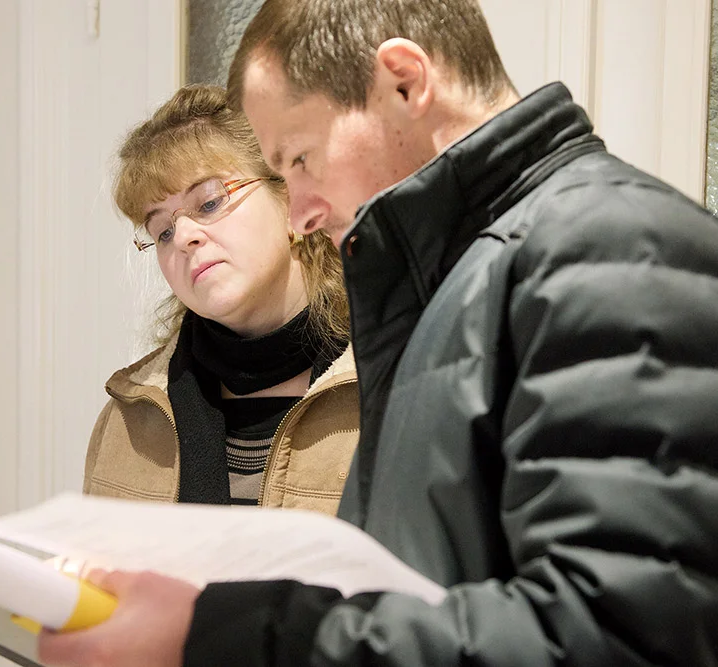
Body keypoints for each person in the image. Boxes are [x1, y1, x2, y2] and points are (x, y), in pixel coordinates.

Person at [38, 1, 718, 665]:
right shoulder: (445, 291)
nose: (300, 214)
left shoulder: (613, 245)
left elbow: (619, 634)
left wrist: (222, 635)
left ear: (405, 83)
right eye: (160, 229)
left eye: (300, 159)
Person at [82, 84, 359, 514]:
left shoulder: (388, 383)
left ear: (290, 200)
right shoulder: (130, 418)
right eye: (163, 231)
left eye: (209, 203)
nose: (183, 237)